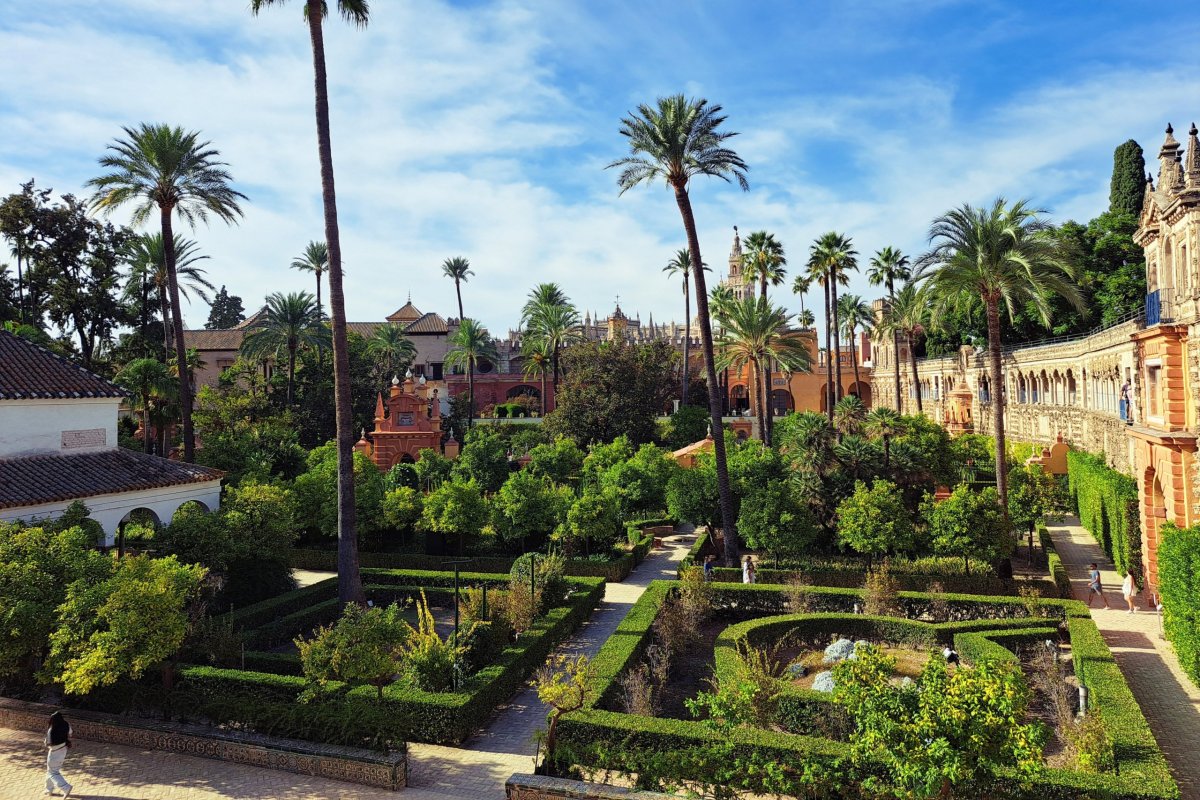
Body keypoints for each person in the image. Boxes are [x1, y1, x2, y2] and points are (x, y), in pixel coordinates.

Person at [44, 710, 72, 797]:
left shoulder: (51, 730)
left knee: (53, 772)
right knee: (51, 770)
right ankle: (49, 789)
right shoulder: (66, 725)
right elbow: (70, 733)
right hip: (63, 750)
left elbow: (48, 743)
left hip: (54, 753)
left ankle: (65, 787)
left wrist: (45, 742)